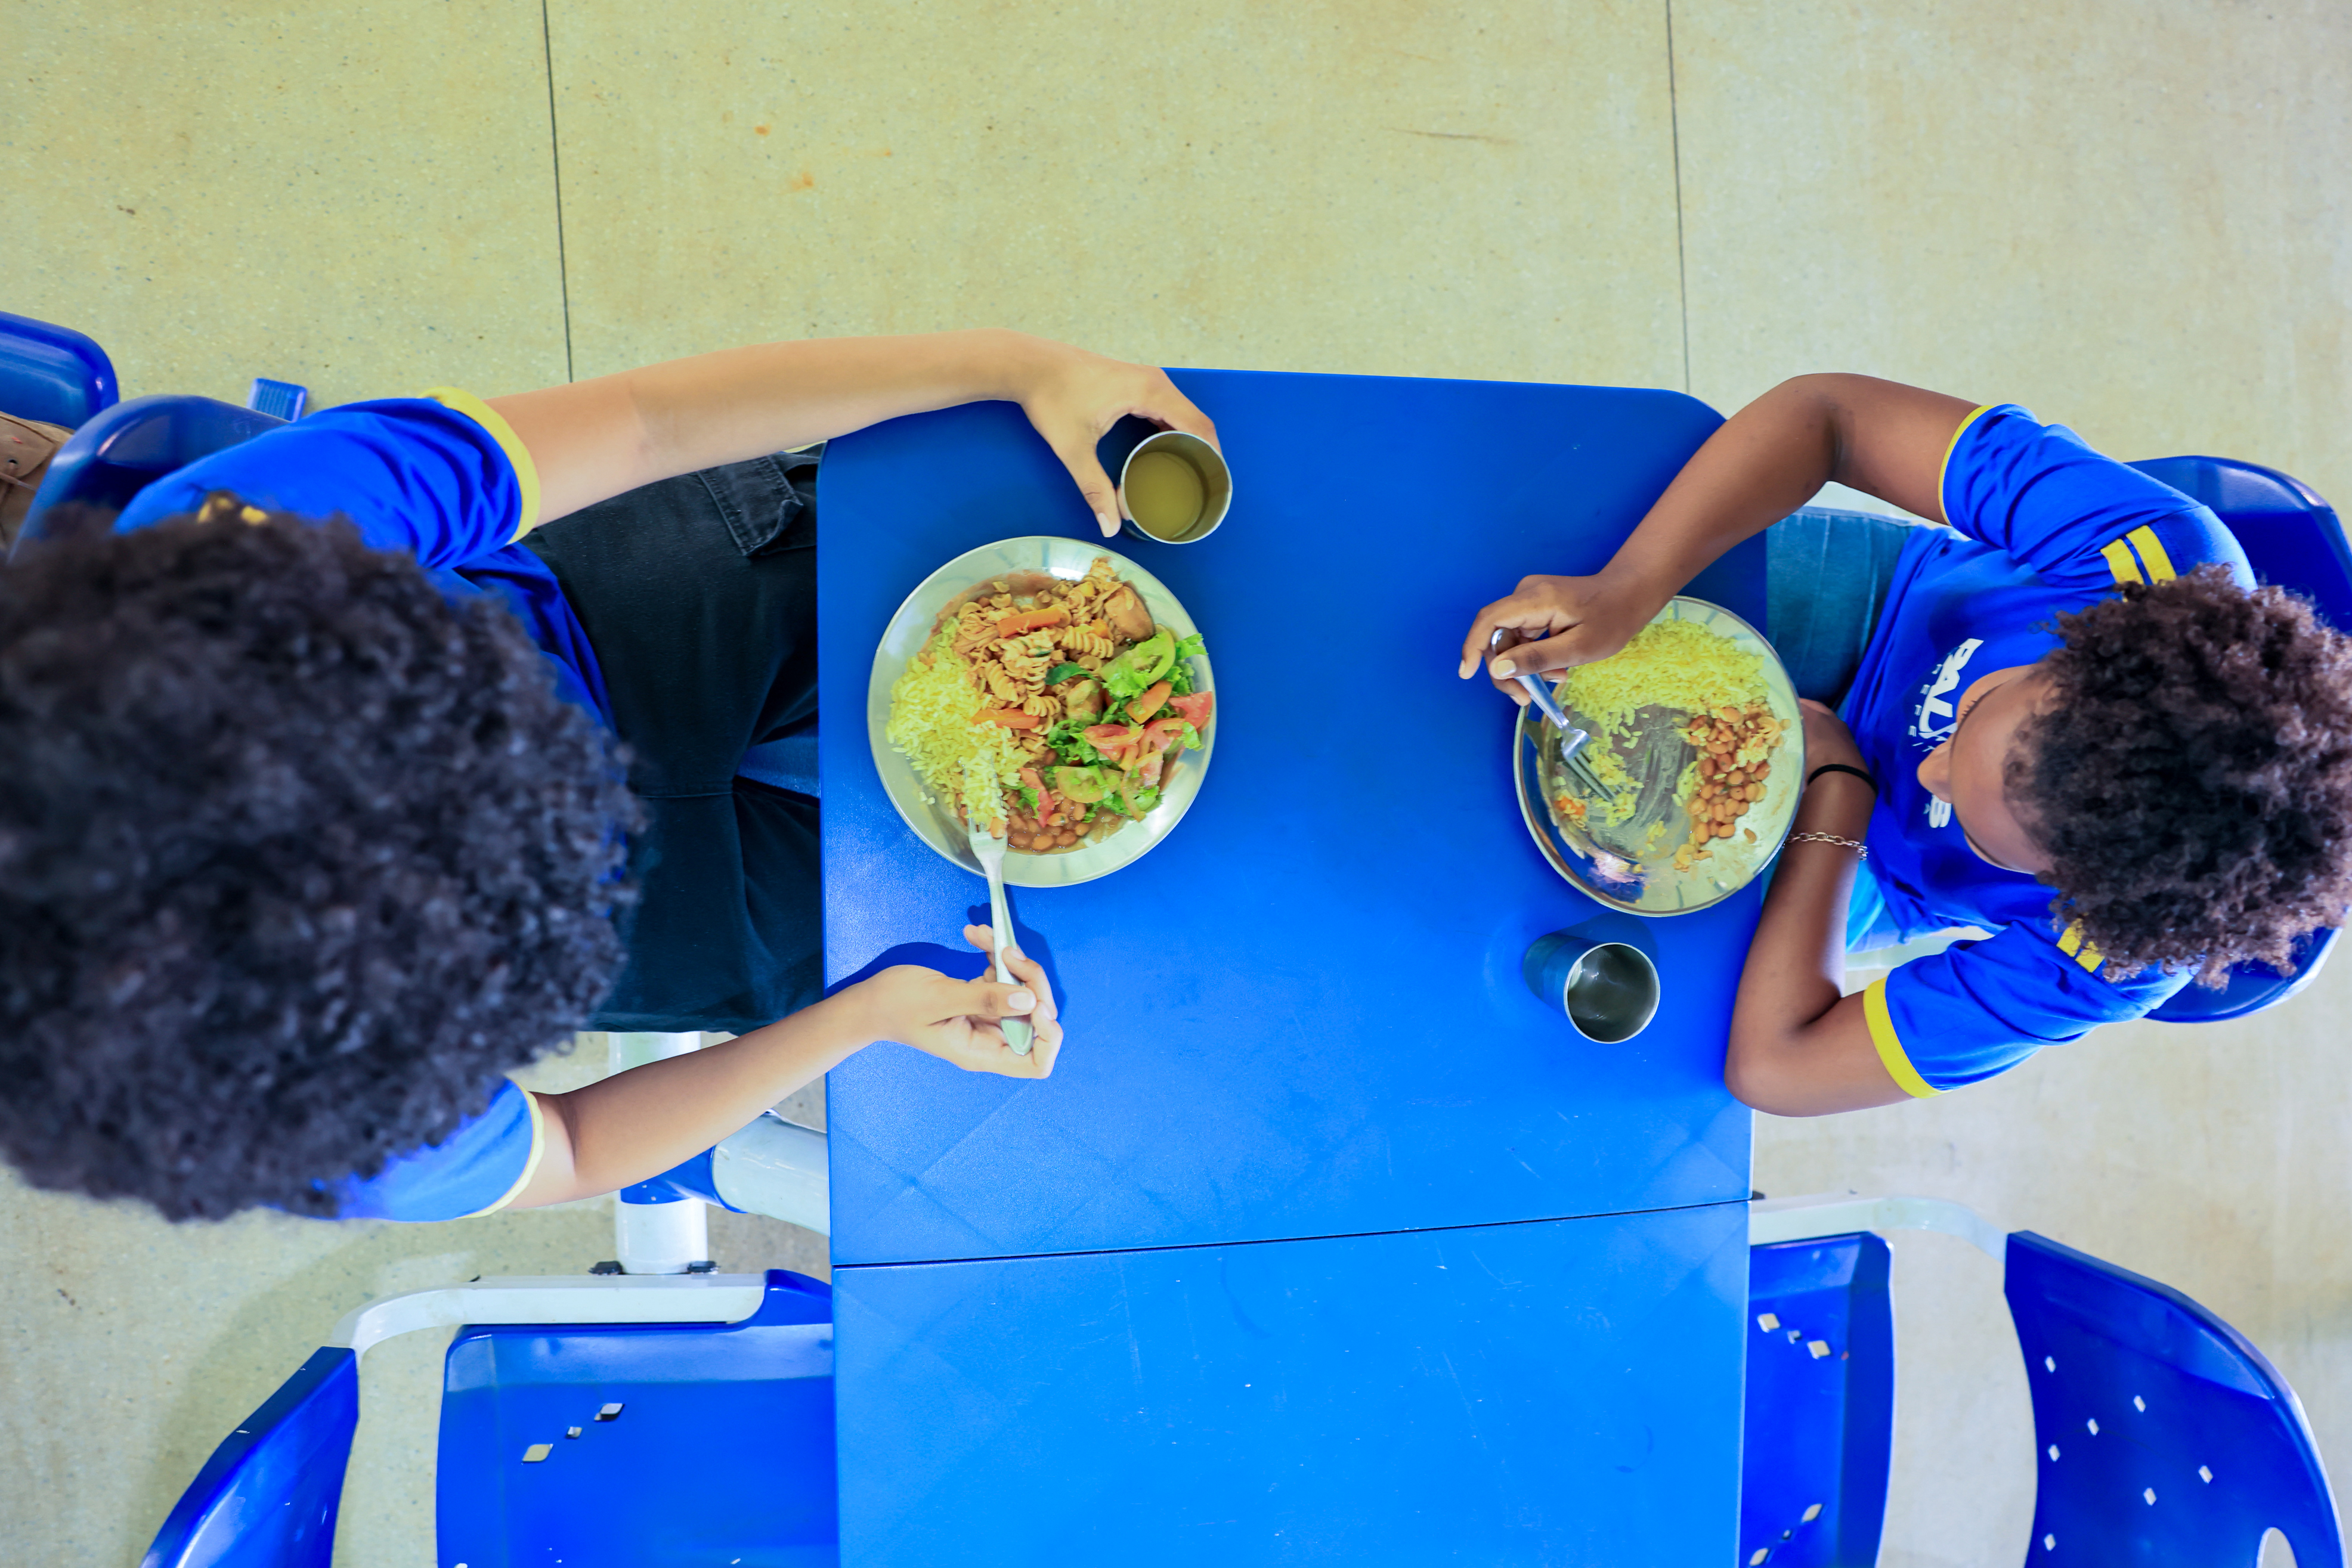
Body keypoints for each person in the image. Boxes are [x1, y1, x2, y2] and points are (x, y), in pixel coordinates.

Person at [0, 330, 1215, 1221]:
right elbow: (571, 1149)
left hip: (606, 607)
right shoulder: (296, 1099)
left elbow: (646, 422)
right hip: (672, 917)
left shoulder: (252, 540)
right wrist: (866, 1015)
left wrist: (1007, 363)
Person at [1460, 374, 2352, 1114]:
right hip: (1883, 606)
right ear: (2089, 643)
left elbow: (1776, 1067)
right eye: (1974, 712)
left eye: (1978, 826)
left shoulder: (2103, 956)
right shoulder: (2145, 560)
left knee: (1552, 898)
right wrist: (1631, 585)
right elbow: (1829, 417)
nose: (1924, 770)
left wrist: (1840, 802)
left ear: (2073, 893)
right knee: (1553, 586)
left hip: (1869, 861)